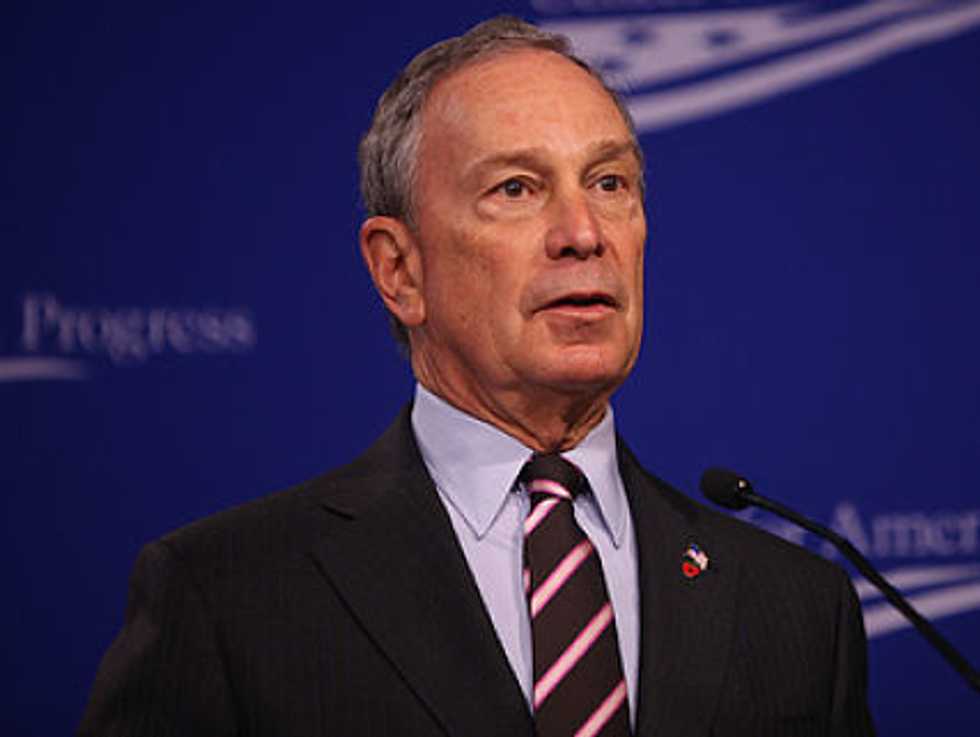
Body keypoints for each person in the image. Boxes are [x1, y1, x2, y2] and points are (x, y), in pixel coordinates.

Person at [79, 16, 875, 737]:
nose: (583, 233)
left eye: (609, 182)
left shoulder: (799, 608)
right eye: (516, 188)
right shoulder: (229, 598)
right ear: (400, 270)